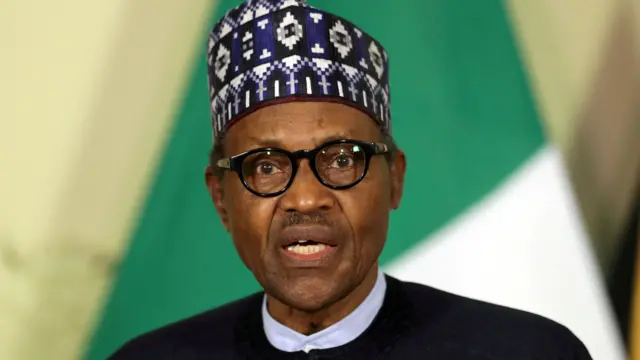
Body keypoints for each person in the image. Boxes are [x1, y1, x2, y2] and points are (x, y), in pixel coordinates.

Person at [109, 0, 593, 359]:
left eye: (341, 160)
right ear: (220, 198)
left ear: (395, 179)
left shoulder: (526, 352)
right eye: (267, 166)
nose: (304, 197)